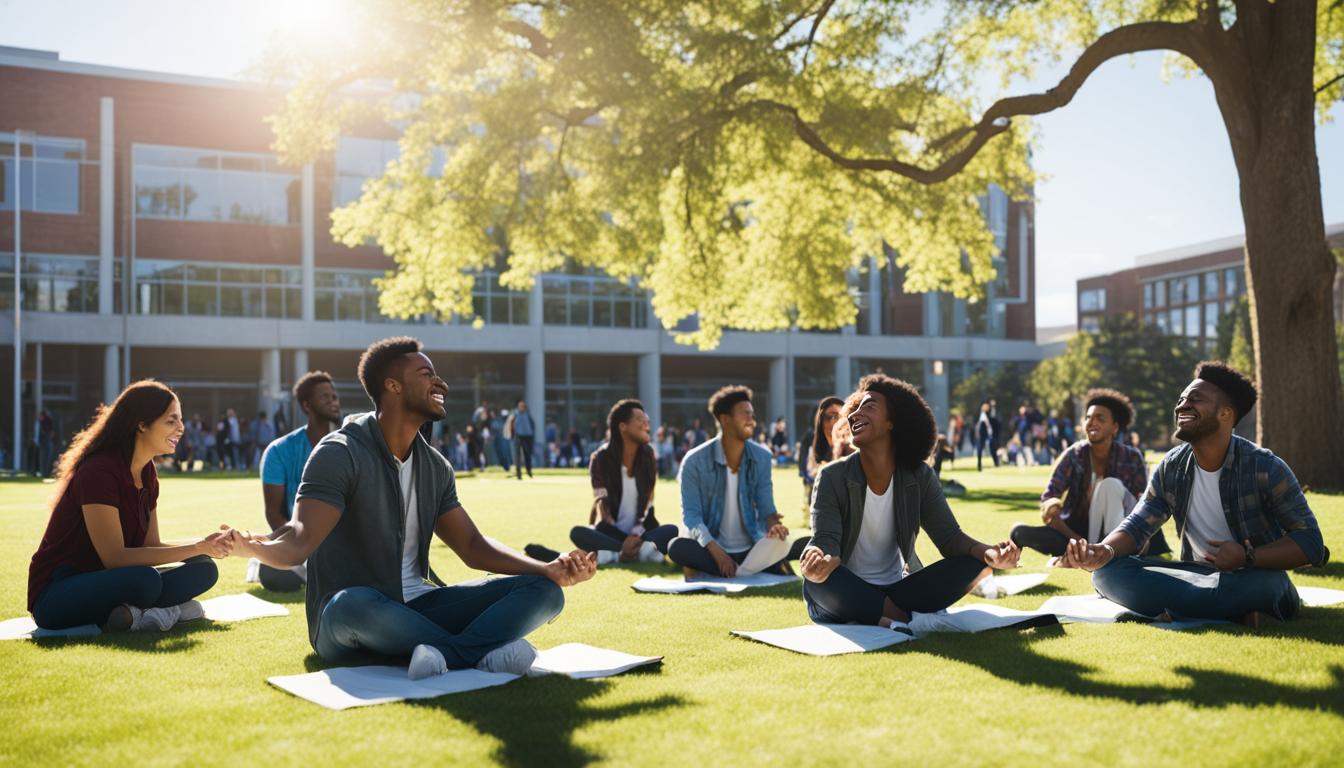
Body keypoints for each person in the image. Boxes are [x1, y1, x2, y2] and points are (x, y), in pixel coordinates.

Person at [226, 337, 596, 678]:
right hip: (349, 615)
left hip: (419, 605)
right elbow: (299, 539)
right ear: (393, 386)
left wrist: (546, 568)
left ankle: (448, 654)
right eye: (426, 374)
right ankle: (479, 649)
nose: (441, 384)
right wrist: (251, 546)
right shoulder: (340, 452)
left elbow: (472, 546)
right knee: (352, 604)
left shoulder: (435, 467)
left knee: (544, 591)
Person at [1063, 362, 1328, 626]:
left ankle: (1187, 609)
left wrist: (1248, 557)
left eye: (1195, 399)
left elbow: (1311, 543)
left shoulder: (1266, 467)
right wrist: (1105, 550)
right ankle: (1230, 613)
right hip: (1195, 575)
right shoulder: (1172, 466)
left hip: (1250, 575)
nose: (1181, 406)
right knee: (1107, 574)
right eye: (1181, 399)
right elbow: (1137, 526)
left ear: (1225, 414)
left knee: (1269, 586)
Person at [800, 374, 1020, 628]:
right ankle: (901, 616)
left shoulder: (919, 475)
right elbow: (824, 540)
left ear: (893, 422)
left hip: (899, 588)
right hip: (847, 590)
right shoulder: (832, 477)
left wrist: (991, 553)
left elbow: (950, 539)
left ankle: (883, 614)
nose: (854, 414)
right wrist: (818, 561)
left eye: (868, 406)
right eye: (856, 408)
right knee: (818, 583)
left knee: (975, 563)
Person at [27, 380, 230, 632]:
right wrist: (197, 546)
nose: (181, 428)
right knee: (145, 581)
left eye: (180, 420)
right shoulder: (99, 472)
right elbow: (115, 558)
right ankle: (167, 609)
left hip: (111, 581)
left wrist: (204, 544)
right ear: (142, 424)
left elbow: (151, 545)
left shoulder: (147, 473)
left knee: (204, 567)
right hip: (56, 593)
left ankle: (134, 613)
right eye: (171, 421)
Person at [1010, 389, 1168, 560]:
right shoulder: (1074, 455)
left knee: (1112, 486)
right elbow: (1049, 498)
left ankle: (1112, 551)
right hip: (1076, 532)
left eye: (1100, 418)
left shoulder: (1131, 457)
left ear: (1114, 427)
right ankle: (1088, 552)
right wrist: (1076, 539)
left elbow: (1144, 503)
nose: (1092, 422)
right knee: (1018, 531)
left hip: (1121, 530)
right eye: (1088, 417)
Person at [667, 386, 807, 577]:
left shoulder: (762, 457)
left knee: (786, 542)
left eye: (752, 414)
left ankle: (739, 570)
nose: (752, 420)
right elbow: (692, 517)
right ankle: (747, 569)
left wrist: (773, 526)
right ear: (725, 420)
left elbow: (767, 509)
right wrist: (717, 552)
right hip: (712, 547)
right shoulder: (694, 461)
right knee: (678, 547)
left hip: (751, 546)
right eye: (745, 414)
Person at [526, 399, 679, 565]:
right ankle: (631, 552)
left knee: (671, 530)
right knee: (578, 533)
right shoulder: (600, 459)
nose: (647, 424)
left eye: (647, 420)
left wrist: (635, 535)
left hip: (642, 531)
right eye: (640, 420)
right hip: (610, 531)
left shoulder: (648, 455)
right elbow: (602, 502)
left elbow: (649, 500)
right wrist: (624, 542)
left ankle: (611, 555)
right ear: (622, 426)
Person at [255, 371, 342, 592]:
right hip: (299, 541)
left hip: (344, 544)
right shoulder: (279, 450)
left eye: (334, 396)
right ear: (306, 406)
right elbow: (274, 514)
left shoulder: (351, 447)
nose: (333, 401)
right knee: (273, 574)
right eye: (325, 397)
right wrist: (303, 548)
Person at [510, 399, 536, 479]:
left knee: (527, 454)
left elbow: (532, 425)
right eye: (520, 406)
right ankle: (519, 474)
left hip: (528, 436)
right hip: (518, 436)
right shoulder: (515, 414)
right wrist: (512, 434)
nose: (522, 408)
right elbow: (511, 424)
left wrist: (532, 435)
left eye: (523, 406)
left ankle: (529, 470)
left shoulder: (528, 414)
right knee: (517, 456)